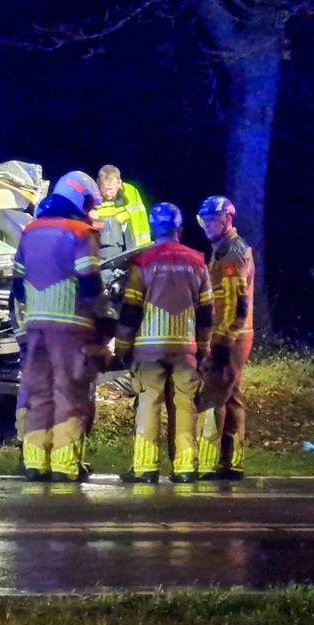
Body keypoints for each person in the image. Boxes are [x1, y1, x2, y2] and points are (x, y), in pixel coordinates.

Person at [12, 171, 105, 482]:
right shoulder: (81, 232)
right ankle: (65, 466)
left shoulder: (29, 231)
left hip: (35, 325)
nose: (92, 212)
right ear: (80, 199)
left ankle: (35, 462)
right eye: (91, 205)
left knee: (38, 392)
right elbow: (90, 283)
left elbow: (16, 285)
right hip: (72, 327)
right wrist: (103, 325)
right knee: (70, 393)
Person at [114, 202, 213, 484]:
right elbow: (207, 312)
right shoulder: (197, 261)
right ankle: (185, 468)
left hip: (148, 350)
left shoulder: (143, 262)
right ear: (179, 229)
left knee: (149, 403)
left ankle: (145, 468)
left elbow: (131, 310)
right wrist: (203, 347)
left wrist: (123, 346)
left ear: (153, 229)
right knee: (184, 406)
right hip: (186, 349)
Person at [195, 195, 255, 481]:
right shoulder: (223, 249)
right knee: (232, 397)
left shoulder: (231, 252)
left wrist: (220, 343)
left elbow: (236, 303)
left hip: (229, 335)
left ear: (228, 219)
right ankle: (232, 462)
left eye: (212, 220)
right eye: (203, 220)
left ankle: (207, 463)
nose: (206, 225)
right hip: (234, 334)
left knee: (214, 394)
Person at [92, 165, 151, 263]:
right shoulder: (92, 195)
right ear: (98, 183)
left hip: (129, 250)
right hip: (103, 255)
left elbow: (141, 224)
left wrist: (144, 251)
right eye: (104, 189)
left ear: (119, 183)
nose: (108, 193)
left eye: (111, 189)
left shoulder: (131, 192)